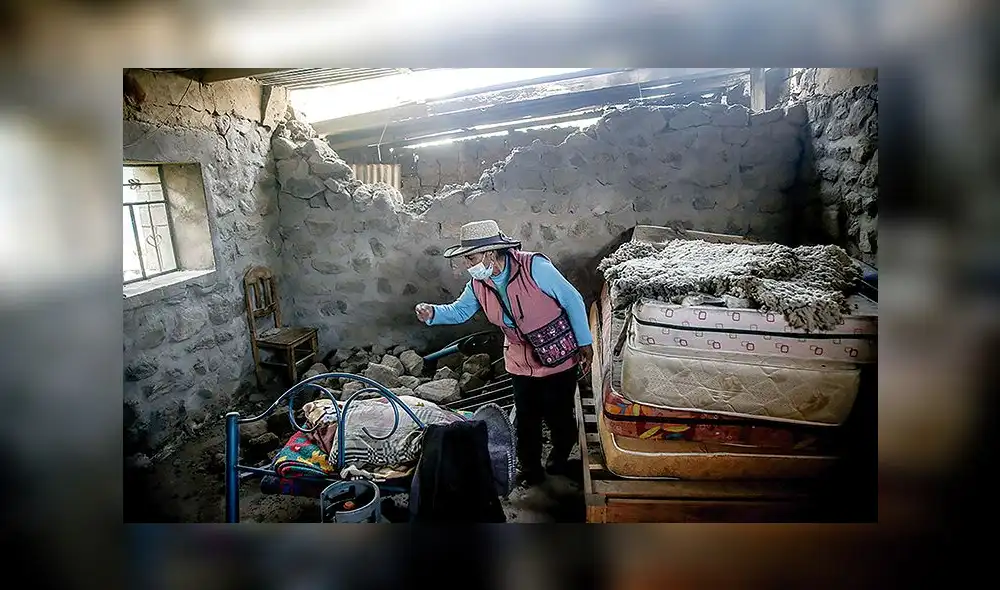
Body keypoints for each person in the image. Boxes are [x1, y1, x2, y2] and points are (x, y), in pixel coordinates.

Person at [415, 219, 593, 486]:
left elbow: (572, 300)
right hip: (519, 358)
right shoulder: (479, 283)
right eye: (465, 259)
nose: (468, 264)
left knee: (559, 414)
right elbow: (460, 311)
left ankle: (559, 457)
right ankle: (530, 469)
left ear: (489, 252)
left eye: (471, 257)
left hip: (556, 352)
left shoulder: (535, 267)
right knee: (526, 417)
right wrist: (432, 313)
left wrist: (584, 343)